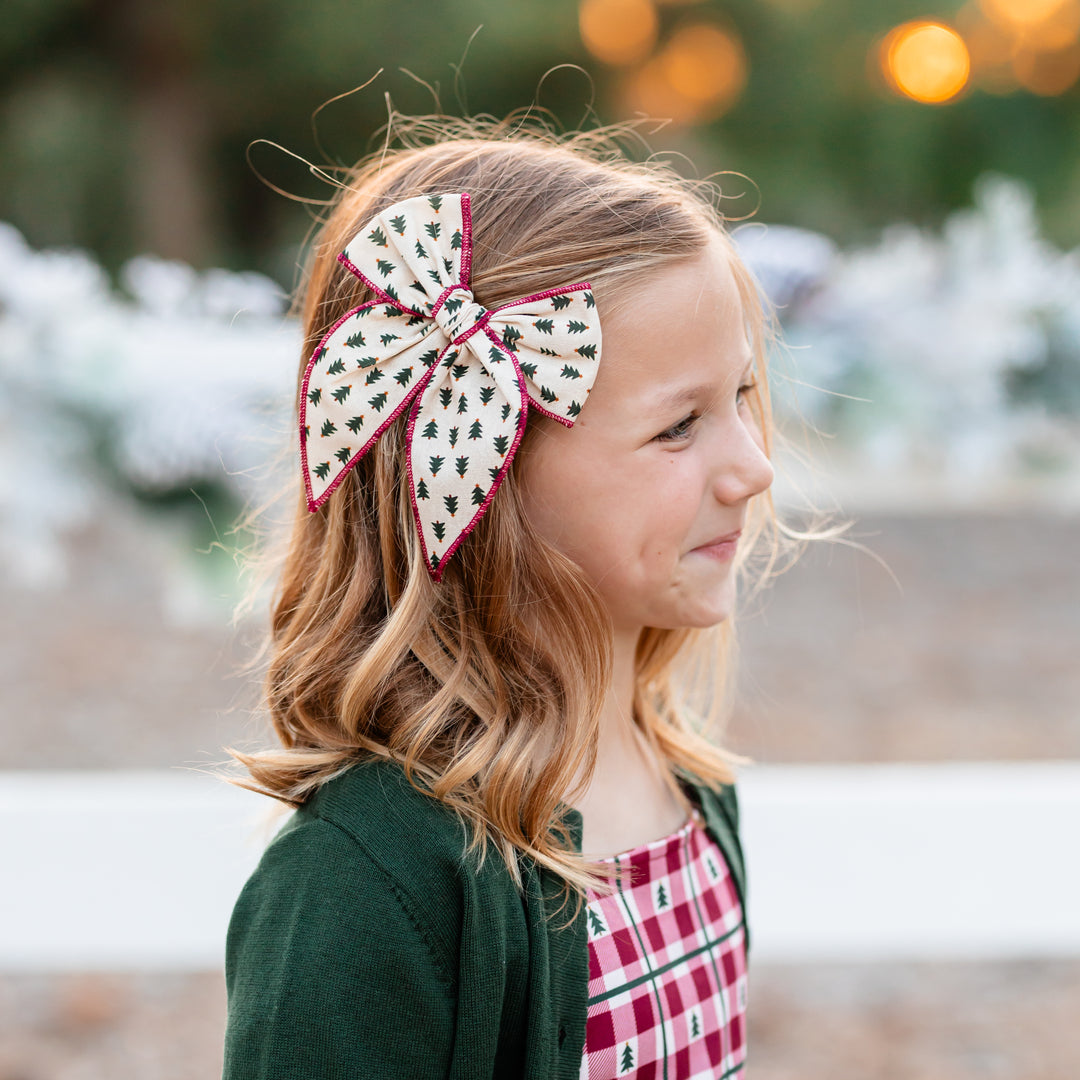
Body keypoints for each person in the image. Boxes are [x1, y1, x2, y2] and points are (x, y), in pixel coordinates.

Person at [221, 112, 821, 1080]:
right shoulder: (368, 880)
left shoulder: (687, 781)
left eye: (743, 398)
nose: (752, 468)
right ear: (485, 475)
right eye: (679, 427)